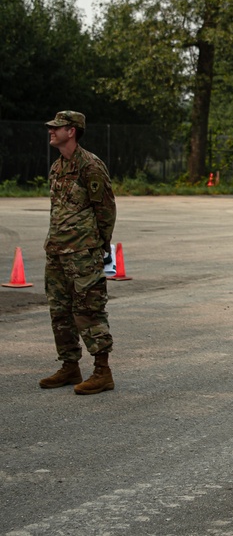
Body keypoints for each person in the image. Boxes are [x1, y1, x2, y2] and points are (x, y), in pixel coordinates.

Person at [39, 111, 117, 395]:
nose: (51, 131)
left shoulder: (91, 166)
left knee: (88, 309)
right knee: (60, 312)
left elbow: (106, 210)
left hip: (83, 253)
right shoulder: (57, 167)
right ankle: (70, 366)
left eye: (56, 128)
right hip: (57, 252)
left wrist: (98, 247)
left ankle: (102, 371)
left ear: (71, 131)